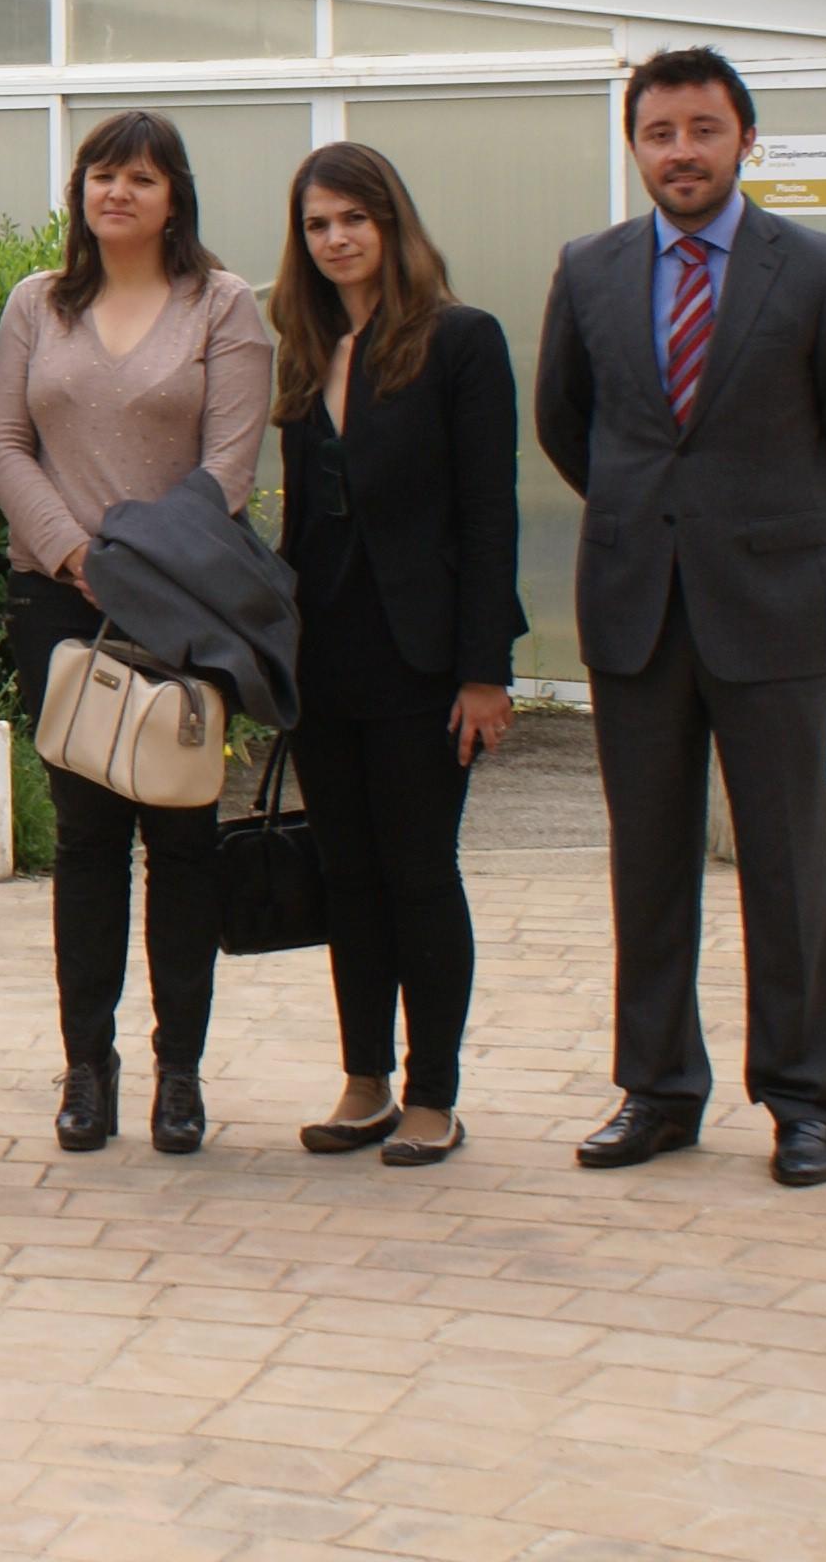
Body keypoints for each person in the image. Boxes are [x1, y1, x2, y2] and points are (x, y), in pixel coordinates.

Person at [539, 47, 826, 1189]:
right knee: (646, 863)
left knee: (784, 866)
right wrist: (655, 521)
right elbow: (566, 425)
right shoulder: (588, 269)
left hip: (771, 608)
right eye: (659, 133)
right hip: (635, 608)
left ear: (744, 139)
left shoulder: (816, 269)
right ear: (634, 147)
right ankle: (656, 1091)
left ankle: (801, 1101)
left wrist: (771, 526)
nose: (681, 152)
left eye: (702, 129)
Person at [0, 109, 276, 1158]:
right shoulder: (37, 303)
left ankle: (178, 1071)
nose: (118, 193)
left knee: (183, 837)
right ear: (80, 193)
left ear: (174, 197)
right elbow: (3, 444)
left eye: (141, 179)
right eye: (102, 176)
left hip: (183, 603)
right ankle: (87, 1067)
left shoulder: (223, 305)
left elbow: (227, 468)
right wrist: (74, 555)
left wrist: (136, 569)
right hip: (59, 600)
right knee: (86, 838)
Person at [268, 141, 522, 1170]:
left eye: (352, 220)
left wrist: (484, 672)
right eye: (316, 225)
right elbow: (300, 520)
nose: (334, 239)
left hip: (422, 661)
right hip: (322, 656)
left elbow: (490, 513)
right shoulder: (303, 348)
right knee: (347, 875)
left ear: (389, 224)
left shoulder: (460, 340)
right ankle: (364, 1080)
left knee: (419, 873)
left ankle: (433, 1094)